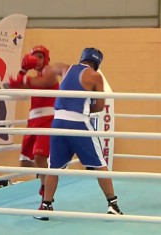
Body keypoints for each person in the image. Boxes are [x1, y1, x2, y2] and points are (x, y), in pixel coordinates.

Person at [28, 47, 123, 220]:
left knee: (53, 167)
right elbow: (100, 106)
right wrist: (87, 108)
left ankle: (46, 205)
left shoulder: (66, 68)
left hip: (58, 123)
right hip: (79, 123)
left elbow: (49, 69)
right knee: (99, 164)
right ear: (97, 63)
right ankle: (113, 204)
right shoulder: (95, 76)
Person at [8, 45, 59, 209]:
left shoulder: (49, 71)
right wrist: (23, 70)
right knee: (25, 163)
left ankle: (46, 196)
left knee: (40, 156)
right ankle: (44, 184)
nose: (36, 60)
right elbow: (15, 86)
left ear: (46, 59)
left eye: (40, 57)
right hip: (33, 121)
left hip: (47, 120)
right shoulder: (34, 77)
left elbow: (43, 82)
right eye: (34, 56)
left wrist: (23, 78)